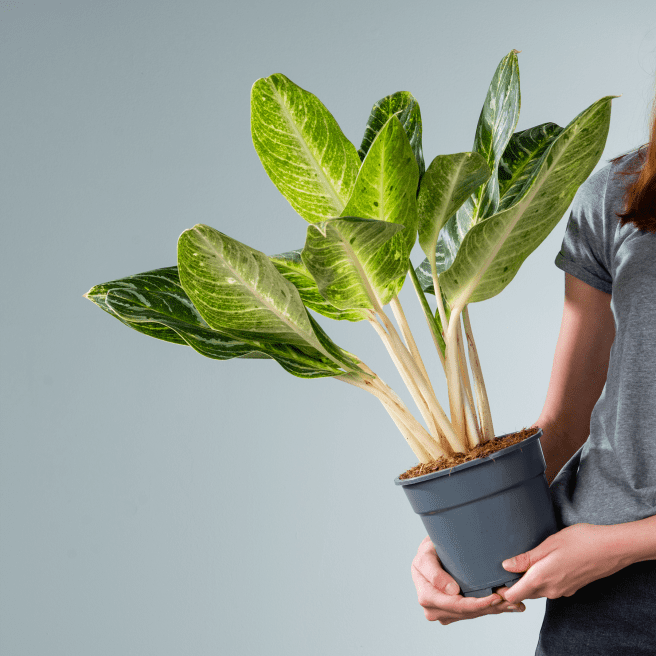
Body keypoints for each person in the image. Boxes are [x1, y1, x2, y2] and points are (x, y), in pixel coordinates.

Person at [411, 98, 656, 654]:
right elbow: (564, 422)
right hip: (604, 606)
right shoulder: (620, 193)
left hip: (601, 556)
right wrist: (456, 542)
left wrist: (623, 545)